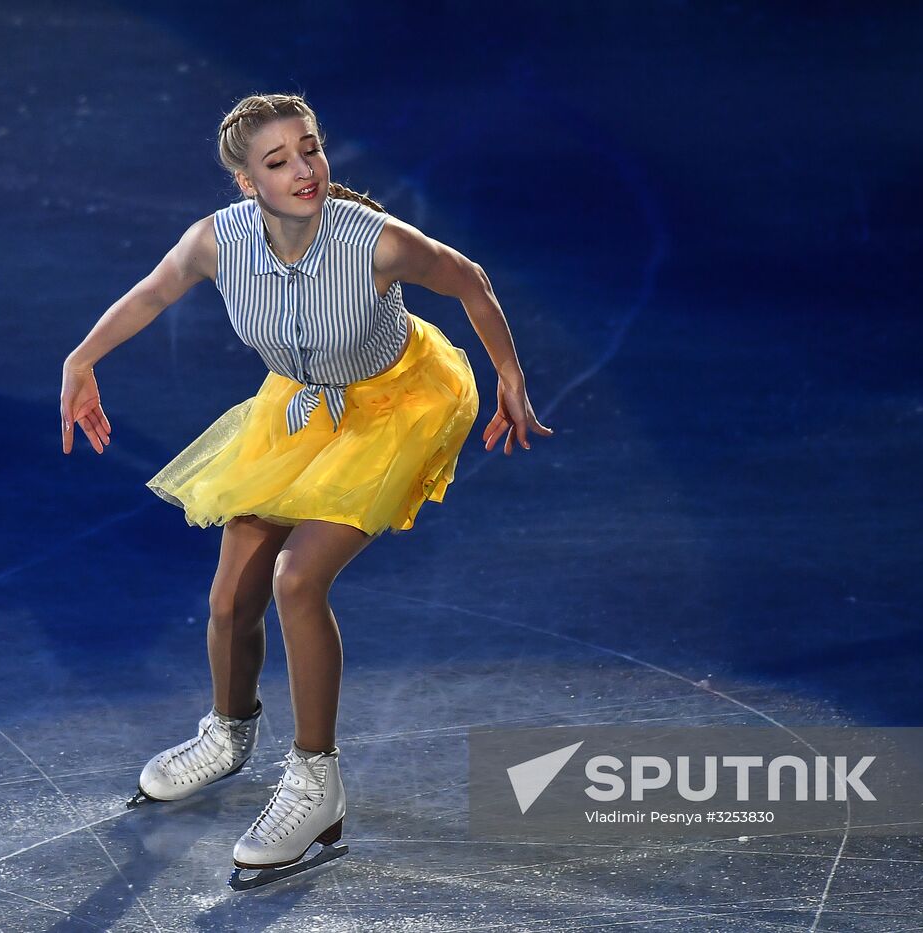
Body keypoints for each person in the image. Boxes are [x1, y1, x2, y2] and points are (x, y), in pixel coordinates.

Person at [59, 92, 553, 889]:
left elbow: (470, 280)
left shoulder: (379, 244)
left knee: (297, 579)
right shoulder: (215, 243)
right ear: (246, 183)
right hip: (299, 403)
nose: (304, 170)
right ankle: (227, 734)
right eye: (279, 160)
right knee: (230, 598)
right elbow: (152, 292)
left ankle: (317, 783)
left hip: (398, 404)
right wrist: (81, 360)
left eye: (311, 149)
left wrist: (509, 375)